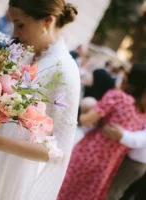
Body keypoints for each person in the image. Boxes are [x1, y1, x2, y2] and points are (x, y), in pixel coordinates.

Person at [0, 0, 80, 199]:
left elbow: (57, 153)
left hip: (11, 172)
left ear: (47, 21)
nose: (15, 33)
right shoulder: (25, 55)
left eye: (20, 25)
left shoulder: (65, 71)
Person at [57, 63, 146, 200]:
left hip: (90, 152)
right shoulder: (142, 112)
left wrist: (85, 105)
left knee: (64, 190)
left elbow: (85, 120)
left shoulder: (118, 97)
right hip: (108, 165)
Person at [103, 123, 146, 200]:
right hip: (128, 159)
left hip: (134, 164)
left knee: (112, 192)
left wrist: (123, 135)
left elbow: (140, 140)